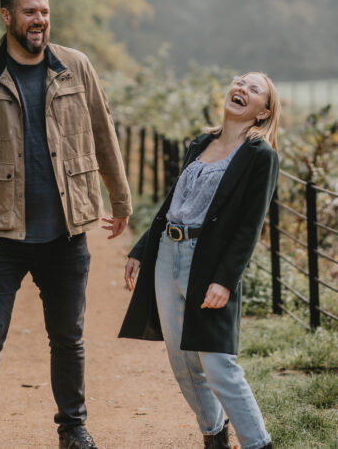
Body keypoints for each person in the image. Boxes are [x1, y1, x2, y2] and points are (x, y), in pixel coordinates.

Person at [0, 0, 131, 449]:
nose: (40, 20)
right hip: (0, 238)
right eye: (30, 12)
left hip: (65, 234)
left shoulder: (76, 67)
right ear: (6, 16)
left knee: (69, 338)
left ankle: (73, 428)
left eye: (44, 11)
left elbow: (102, 131)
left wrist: (121, 198)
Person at [119, 73, 280, 449]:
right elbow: (176, 203)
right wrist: (142, 248)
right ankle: (214, 436)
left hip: (205, 263)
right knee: (183, 363)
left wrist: (225, 280)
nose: (242, 89)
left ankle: (258, 443)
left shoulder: (260, 157)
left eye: (254, 89)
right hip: (167, 253)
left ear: (263, 112)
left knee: (218, 364)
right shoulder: (201, 143)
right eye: (240, 82)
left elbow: (248, 227)